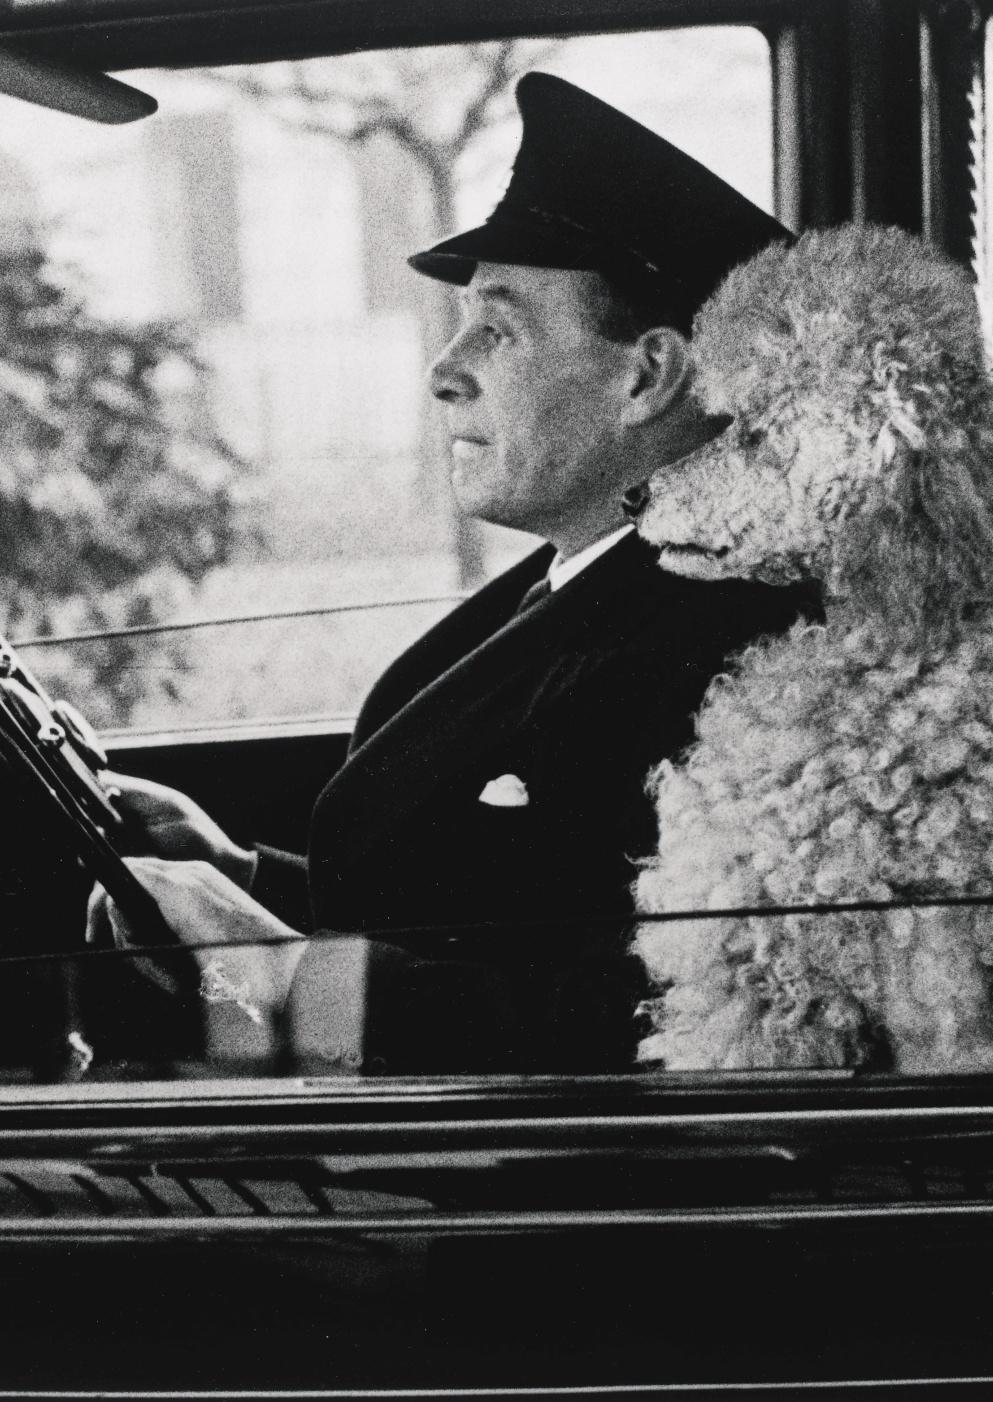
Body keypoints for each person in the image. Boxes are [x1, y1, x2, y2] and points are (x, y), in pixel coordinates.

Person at [100, 73, 816, 1075]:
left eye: (500, 326)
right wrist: (238, 873)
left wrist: (267, 974)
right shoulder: (603, 579)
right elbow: (487, 911)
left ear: (647, 377)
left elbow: (628, 1026)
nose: (445, 367)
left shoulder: (738, 650)